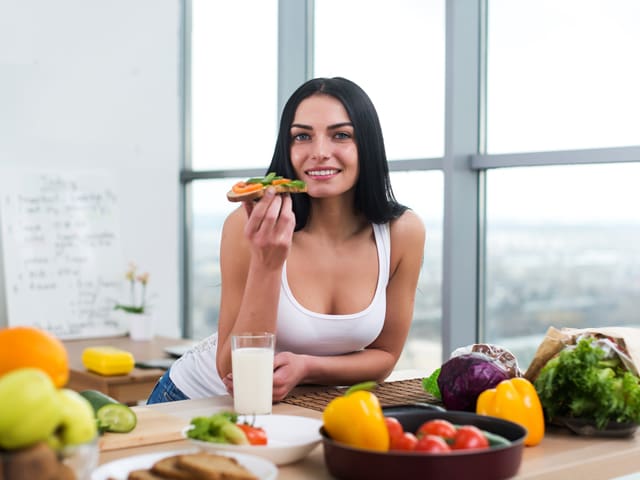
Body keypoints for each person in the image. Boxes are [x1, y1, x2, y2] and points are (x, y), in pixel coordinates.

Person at [147, 77, 426, 404]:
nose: (319, 152)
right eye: (302, 136)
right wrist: (268, 262)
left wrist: (306, 367)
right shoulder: (248, 224)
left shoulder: (402, 233)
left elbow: (385, 356)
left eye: (341, 135)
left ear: (368, 145)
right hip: (198, 399)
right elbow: (230, 371)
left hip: (300, 407)